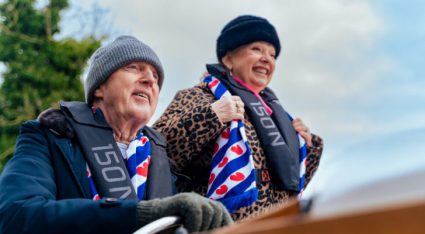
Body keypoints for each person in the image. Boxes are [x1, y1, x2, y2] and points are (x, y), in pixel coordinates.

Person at [0, 35, 232, 234]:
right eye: (133, 68)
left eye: (155, 76)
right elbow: (14, 215)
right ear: (99, 88)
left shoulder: (164, 163)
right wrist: (139, 215)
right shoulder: (48, 136)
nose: (149, 80)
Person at [153, 15, 324, 221]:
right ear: (228, 59)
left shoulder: (279, 117)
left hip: (274, 225)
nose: (267, 58)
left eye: (272, 54)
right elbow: (158, 148)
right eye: (257, 49)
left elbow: (292, 185)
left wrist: (306, 145)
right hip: (217, 224)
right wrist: (212, 116)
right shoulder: (200, 96)